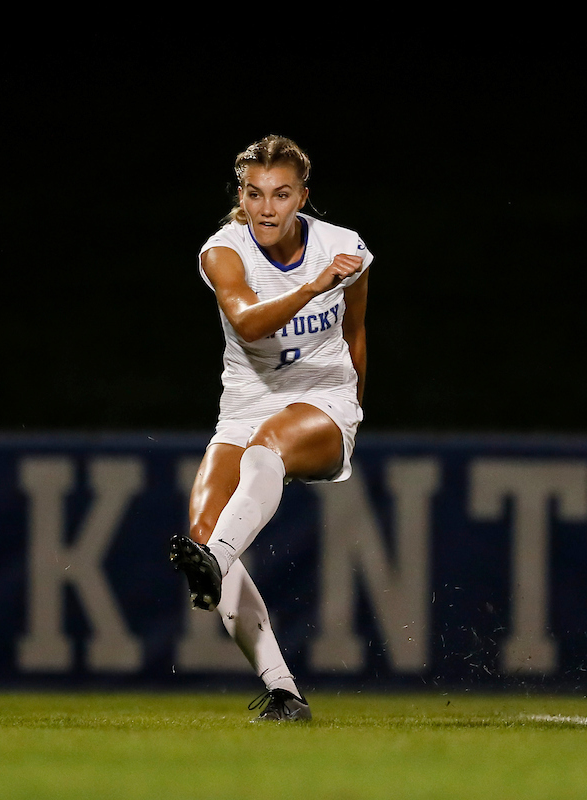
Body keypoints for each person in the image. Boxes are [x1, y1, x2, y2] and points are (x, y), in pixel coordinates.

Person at [170, 134, 371, 722]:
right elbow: (248, 323)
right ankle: (285, 692)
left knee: (266, 455)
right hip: (247, 404)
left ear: (303, 197)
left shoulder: (343, 247)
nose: (266, 208)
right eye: (255, 194)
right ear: (241, 195)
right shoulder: (222, 252)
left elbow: (356, 333)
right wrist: (312, 287)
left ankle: (217, 561)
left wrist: (352, 411)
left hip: (323, 400)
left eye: (281, 195)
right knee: (205, 529)